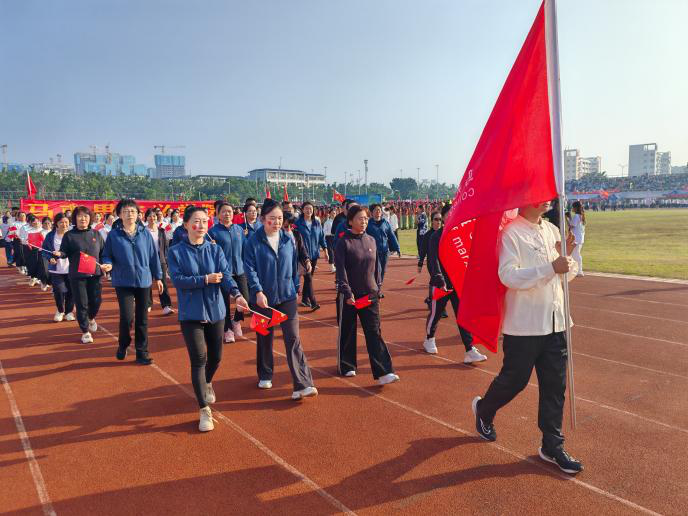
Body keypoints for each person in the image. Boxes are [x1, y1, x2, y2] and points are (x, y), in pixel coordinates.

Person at [472, 200, 583, 474]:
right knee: (514, 381)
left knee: (555, 387)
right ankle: (484, 409)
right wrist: (550, 268)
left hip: (556, 322)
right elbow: (508, 276)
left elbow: (566, 276)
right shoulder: (511, 233)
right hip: (525, 326)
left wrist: (571, 256)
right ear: (524, 197)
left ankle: (552, 445)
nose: (547, 196)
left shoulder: (553, 230)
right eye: (539, 191)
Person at [168, 206, 249, 431]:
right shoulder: (175, 251)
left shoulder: (215, 250)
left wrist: (237, 295)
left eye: (204, 221)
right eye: (196, 221)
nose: (201, 225)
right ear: (185, 224)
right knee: (199, 359)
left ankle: (207, 382)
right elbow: (178, 279)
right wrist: (204, 279)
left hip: (216, 310)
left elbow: (226, 276)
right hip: (191, 313)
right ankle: (204, 410)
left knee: (216, 358)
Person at [243, 199, 318, 399]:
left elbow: (293, 265)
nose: (276, 222)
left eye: (279, 218)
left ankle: (302, 383)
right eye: (271, 219)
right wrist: (257, 291)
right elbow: (249, 269)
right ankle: (265, 373)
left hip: (287, 296)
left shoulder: (288, 239)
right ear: (262, 219)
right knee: (264, 337)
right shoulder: (253, 242)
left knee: (293, 338)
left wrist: (294, 286)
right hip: (262, 299)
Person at [334, 205, 399, 385]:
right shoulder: (343, 242)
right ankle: (347, 365)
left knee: (374, 332)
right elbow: (341, 271)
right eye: (359, 219)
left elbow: (376, 267)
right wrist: (347, 292)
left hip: (369, 294)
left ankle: (384, 372)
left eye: (365, 219)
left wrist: (377, 287)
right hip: (349, 296)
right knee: (347, 331)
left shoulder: (371, 240)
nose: (363, 222)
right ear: (350, 221)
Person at [423, 204, 487, 363]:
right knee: (436, 314)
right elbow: (433, 260)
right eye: (449, 214)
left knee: (462, 316)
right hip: (440, 284)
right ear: (444, 217)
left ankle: (470, 349)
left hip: (458, 283)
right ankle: (429, 338)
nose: (452, 216)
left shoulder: (461, 234)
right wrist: (439, 278)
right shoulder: (436, 237)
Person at [102, 200, 162, 364]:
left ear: (138, 215)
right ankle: (123, 344)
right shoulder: (114, 235)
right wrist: (108, 263)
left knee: (142, 318)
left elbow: (153, 257)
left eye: (133, 211)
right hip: (123, 281)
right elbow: (106, 254)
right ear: (119, 215)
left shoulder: (145, 234)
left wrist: (158, 277)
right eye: (126, 211)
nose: (130, 214)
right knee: (127, 317)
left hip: (143, 280)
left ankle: (142, 352)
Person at [54, 206, 110, 344]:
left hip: (95, 275)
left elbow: (103, 253)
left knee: (96, 302)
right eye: (79, 216)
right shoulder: (69, 235)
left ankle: (91, 318)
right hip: (77, 276)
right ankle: (85, 332)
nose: (83, 219)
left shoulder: (96, 234)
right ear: (75, 219)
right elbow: (64, 251)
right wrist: (59, 254)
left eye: (85, 216)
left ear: (90, 218)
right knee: (81, 304)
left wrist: (106, 264)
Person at [208, 202, 249, 343]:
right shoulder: (213, 232)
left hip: (240, 270)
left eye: (230, 211)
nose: (227, 214)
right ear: (218, 214)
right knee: (224, 303)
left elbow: (245, 249)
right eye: (224, 212)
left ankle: (236, 320)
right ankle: (227, 330)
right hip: (223, 273)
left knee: (245, 299)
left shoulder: (239, 229)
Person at [295, 201, 327, 310]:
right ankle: (313, 302)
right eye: (306, 208)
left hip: (314, 254)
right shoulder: (297, 223)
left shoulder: (316, 223)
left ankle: (304, 299)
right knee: (308, 278)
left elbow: (322, 237)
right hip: (303, 255)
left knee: (309, 278)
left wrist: (326, 250)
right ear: (302, 210)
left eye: (311, 208)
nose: (309, 210)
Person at [43, 213, 75, 322]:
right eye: (61, 222)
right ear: (56, 223)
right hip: (56, 269)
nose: (64, 224)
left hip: (71, 268)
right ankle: (60, 310)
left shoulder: (72, 235)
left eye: (66, 222)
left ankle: (69, 311)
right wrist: (49, 258)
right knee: (59, 291)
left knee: (71, 291)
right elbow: (45, 250)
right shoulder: (50, 236)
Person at [143, 208, 174, 315]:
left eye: (154, 216)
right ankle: (147, 304)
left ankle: (166, 305)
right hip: (146, 260)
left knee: (163, 282)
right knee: (148, 282)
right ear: (146, 218)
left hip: (160, 259)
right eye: (150, 216)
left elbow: (166, 246)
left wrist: (166, 259)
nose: (152, 218)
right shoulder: (143, 231)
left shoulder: (161, 231)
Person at [366, 203, 400, 292]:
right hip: (373, 253)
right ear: (371, 213)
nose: (378, 212)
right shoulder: (368, 224)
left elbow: (391, 236)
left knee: (382, 271)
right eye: (376, 210)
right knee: (375, 271)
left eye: (379, 210)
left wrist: (397, 248)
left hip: (384, 252)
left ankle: (378, 289)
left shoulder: (385, 223)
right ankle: (374, 289)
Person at [570, 201, 585, 277]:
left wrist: (567, 218)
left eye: (573, 207)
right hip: (580, 238)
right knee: (575, 254)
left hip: (576, 238)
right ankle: (577, 270)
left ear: (575, 208)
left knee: (575, 255)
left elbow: (571, 226)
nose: (572, 208)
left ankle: (579, 271)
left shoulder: (576, 216)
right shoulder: (581, 215)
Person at [323, 208, 337, 273]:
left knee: (336, 252)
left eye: (335, 213)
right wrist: (330, 233)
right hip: (329, 238)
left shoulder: (338, 222)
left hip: (337, 238)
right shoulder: (327, 222)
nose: (334, 214)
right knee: (331, 252)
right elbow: (324, 232)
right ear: (330, 214)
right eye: (333, 213)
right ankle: (332, 266)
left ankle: (336, 265)